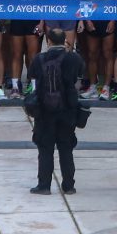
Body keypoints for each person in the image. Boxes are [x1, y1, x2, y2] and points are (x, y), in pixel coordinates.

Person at [28, 28, 84, 195]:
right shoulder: (74, 58)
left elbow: (33, 78)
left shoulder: (39, 59)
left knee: (45, 149)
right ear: (65, 40)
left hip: (45, 110)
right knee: (66, 149)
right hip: (67, 109)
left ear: (48, 41)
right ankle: (69, 185)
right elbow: (80, 76)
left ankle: (44, 185)